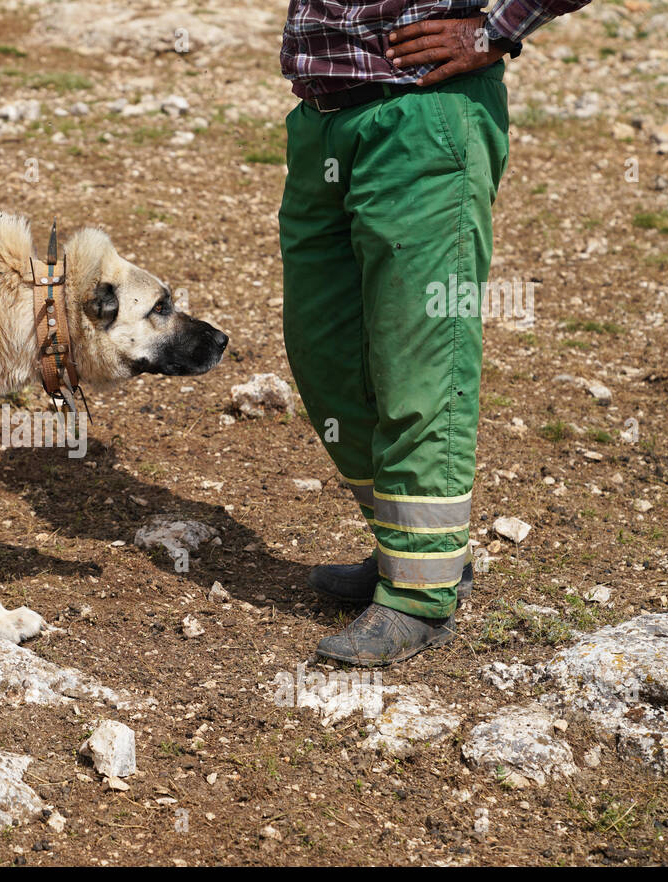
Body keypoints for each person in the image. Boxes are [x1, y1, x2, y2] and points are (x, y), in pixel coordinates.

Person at [277, 1, 592, 665]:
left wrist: (498, 29)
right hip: (325, 119)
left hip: (426, 113)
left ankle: (421, 594)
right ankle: (411, 546)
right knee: (325, 355)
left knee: (417, 361)